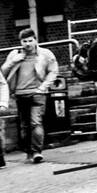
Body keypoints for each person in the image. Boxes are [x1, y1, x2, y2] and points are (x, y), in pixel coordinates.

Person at [2, 29, 59, 164]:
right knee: (24, 125)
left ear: (35, 40)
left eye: (30, 40)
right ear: (20, 42)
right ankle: (29, 152)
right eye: (24, 41)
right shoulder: (15, 54)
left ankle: (37, 152)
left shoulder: (45, 54)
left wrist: (43, 87)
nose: (27, 44)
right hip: (20, 94)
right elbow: (3, 72)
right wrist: (13, 61)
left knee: (36, 122)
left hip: (37, 93)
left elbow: (53, 71)